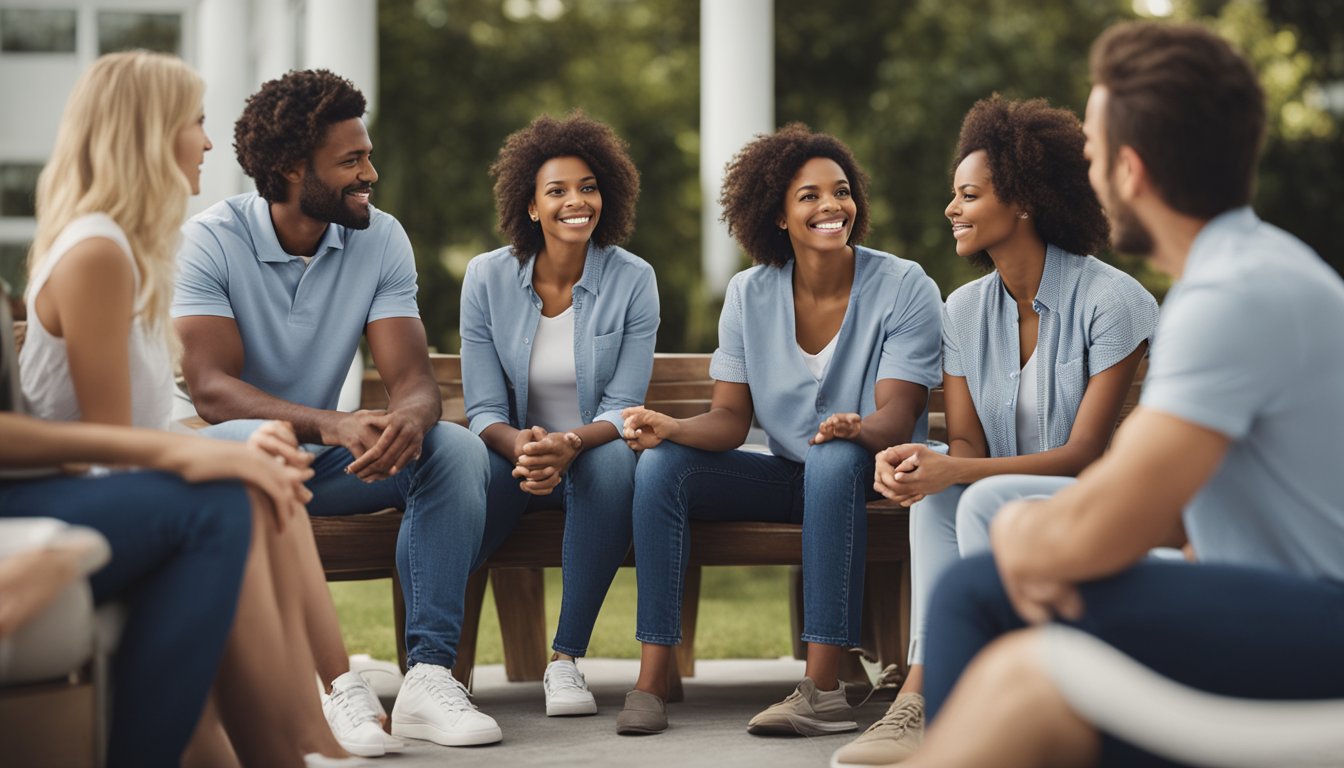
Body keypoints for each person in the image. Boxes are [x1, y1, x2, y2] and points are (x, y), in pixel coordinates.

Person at [902, 21, 1344, 768]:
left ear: (1131, 171)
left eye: (1098, 158)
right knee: (1029, 692)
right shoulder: (1241, 274)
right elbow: (1156, 502)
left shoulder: (1233, 296)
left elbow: (1110, 522)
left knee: (976, 594)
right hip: (1261, 595)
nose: (1093, 178)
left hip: (1316, 615)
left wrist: (1020, 537)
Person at [13, 51, 355, 766]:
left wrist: (229, 445)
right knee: (243, 483)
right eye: (195, 122)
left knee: (263, 469)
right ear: (148, 132)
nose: (206, 142)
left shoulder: (127, 250)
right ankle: (302, 739)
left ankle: (322, 718)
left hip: (112, 478)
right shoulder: (98, 251)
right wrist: (212, 451)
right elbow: (106, 444)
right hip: (90, 484)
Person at [172, 69, 500, 748]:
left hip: (327, 465)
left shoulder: (379, 238)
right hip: (237, 465)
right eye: (351, 161)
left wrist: (408, 419)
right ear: (292, 168)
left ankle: (429, 677)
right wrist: (330, 422)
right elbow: (209, 386)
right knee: (266, 443)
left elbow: (412, 378)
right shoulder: (210, 239)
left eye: (367, 155)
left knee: (456, 450)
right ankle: (330, 686)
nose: (371, 174)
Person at [831, 96, 1158, 767]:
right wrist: (925, 464)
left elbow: (1087, 455)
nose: (952, 208)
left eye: (969, 195)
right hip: (991, 499)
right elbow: (970, 447)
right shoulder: (962, 310)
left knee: (967, 491)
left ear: (1025, 200)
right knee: (941, 489)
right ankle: (923, 694)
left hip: (1082, 502)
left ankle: (949, 695)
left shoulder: (1111, 301)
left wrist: (958, 471)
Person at [616, 125, 943, 736]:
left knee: (836, 456)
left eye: (841, 192)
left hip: (872, 473)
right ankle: (652, 678)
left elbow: (899, 417)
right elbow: (730, 421)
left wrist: (858, 427)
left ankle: (822, 690)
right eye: (810, 196)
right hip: (786, 473)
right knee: (663, 466)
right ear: (777, 215)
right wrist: (672, 428)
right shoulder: (748, 293)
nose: (831, 207)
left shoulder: (904, 285)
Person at [462, 112, 657, 717]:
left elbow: (623, 408)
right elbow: (484, 408)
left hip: (591, 453)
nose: (578, 201)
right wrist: (524, 446)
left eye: (589, 187)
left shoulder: (634, 280)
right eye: (558, 190)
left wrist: (569, 443)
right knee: (456, 483)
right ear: (531, 207)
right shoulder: (486, 277)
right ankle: (435, 666)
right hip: (513, 455)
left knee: (615, 469)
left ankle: (565, 661)